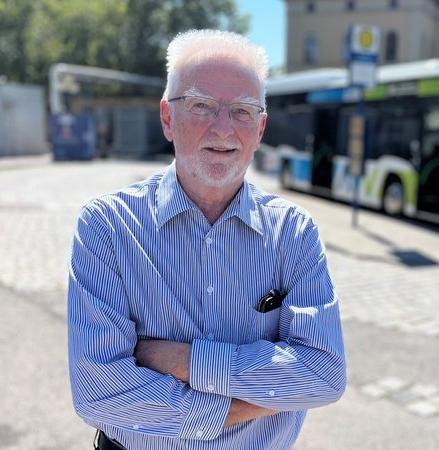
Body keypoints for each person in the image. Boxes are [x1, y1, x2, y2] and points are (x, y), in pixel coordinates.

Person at [67, 29, 346, 450]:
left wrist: (185, 361)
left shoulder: (292, 232)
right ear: (167, 118)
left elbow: (324, 374)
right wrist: (247, 403)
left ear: (260, 128)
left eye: (242, 111)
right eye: (201, 105)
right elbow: (99, 393)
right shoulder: (107, 226)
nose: (223, 128)